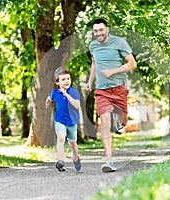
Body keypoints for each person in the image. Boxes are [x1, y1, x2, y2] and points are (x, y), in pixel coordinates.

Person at [86, 18, 137, 173]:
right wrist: (90, 81)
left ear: (107, 29)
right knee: (105, 123)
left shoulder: (119, 42)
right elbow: (94, 64)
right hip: (102, 91)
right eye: (95, 31)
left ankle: (119, 117)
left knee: (122, 121)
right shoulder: (93, 45)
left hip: (119, 89)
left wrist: (113, 71)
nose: (98, 34)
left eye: (101, 30)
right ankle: (109, 160)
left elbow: (132, 64)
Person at [45, 67, 81, 172]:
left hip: (72, 122)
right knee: (61, 138)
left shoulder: (74, 92)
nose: (66, 81)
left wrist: (66, 94)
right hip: (59, 120)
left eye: (68, 79)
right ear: (57, 82)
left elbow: (77, 105)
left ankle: (76, 158)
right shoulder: (55, 93)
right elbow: (50, 97)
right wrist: (47, 102)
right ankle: (61, 161)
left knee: (73, 143)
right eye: (63, 79)